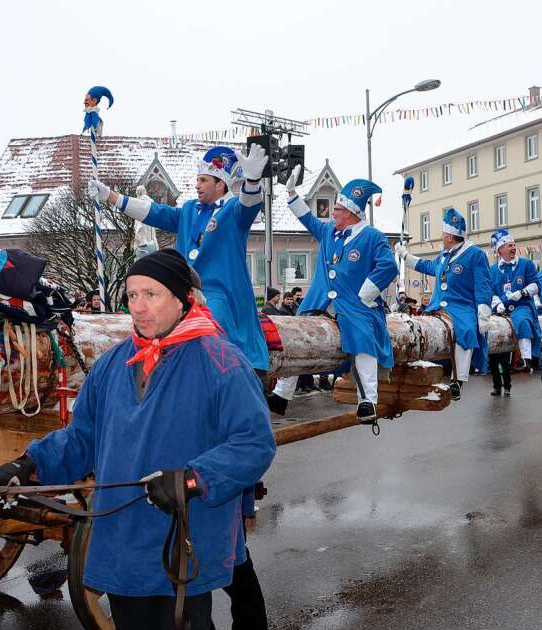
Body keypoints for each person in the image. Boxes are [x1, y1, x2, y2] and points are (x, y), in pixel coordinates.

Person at [0, 250, 275, 630]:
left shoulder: (222, 361)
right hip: (123, 535)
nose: (138, 306)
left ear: (183, 299)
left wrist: (194, 479)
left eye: (151, 294)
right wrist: (31, 464)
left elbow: (254, 444)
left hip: (182, 534)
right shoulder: (113, 363)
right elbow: (82, 436)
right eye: (132, 295)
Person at [89, 144, 270, 374]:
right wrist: (110, 196)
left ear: (220, 184)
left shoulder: (234, 209)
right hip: (186, 290)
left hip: (222, 293)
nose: (197, 185)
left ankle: (227, 371)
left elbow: (249, 205)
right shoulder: (188, 210)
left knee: (216, 329)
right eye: (197, 180)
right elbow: (152, 212)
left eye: (203, 180)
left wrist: (253, 182)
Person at [270, 171, 398, 423]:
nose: (332, 213)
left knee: (362, 338)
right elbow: (307, 219)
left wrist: (367, 292)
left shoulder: (372, 236)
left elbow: (388, 266)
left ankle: (367, 400)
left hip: (355, 303)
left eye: (337, 209)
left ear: (350, 214)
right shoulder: (329, 231)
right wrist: (292, 194)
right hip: (318, 300)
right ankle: (281, 394)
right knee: (296, 334)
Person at [397, 209, 492, 400]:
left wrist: (483, 314)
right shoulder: (444, 255)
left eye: (443, 234)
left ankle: (458, 380)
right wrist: (405, 256)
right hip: (436, 306)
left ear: (449, 236)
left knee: (465, 331)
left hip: (462, 306)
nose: (441, 237)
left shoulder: (475, 254)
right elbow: (428, 267)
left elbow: (483, 285)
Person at [489, 229, 540, 375]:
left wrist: (523, 292)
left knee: (523, 321)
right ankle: (490, 365)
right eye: (509, 245)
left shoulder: (526, 264)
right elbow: (489, 292)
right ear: (500, 250)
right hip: (500, 309)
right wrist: (496, 303)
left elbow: (536, 285)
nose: (513, 248)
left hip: (521, 304)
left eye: (513, 245)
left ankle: (526, 360)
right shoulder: (492, 270)